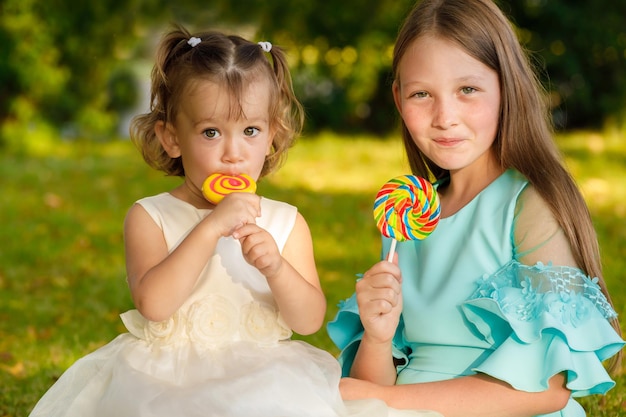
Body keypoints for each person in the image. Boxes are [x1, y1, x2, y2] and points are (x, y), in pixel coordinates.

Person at [27, 26, 443, 417]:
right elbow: (153, 305)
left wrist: (276, 268)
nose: (233, 152)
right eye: (211, 132)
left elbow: (308, 320)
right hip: (164, 380)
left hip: (266, 376)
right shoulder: (149, 216)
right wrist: (209, 228)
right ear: (171, 137)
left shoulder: (286, 223)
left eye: (250, 130)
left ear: (273, 135)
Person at [327, 1, 625, 416]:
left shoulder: (530, 205)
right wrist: (377, 338)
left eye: (467, 90)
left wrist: (392, 401)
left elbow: (549, 389)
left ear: (507, 88)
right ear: (398, 99)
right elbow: (368, 390)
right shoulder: (406, 217)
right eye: (421, 94)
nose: (445, 117)